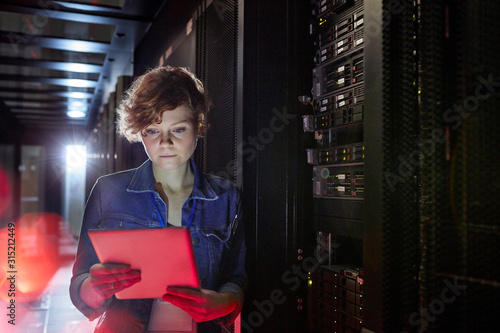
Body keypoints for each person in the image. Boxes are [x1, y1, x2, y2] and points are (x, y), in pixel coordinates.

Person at [70, 66, 247, 333]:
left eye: (178, 130)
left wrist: (222, 304)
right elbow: (79, 282)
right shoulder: (107, 191)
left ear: (198, 124)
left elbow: (238, 279)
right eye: (152, 131)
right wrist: (93, 288)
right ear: (139, 130)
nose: (164, 143)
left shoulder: (227, 198)